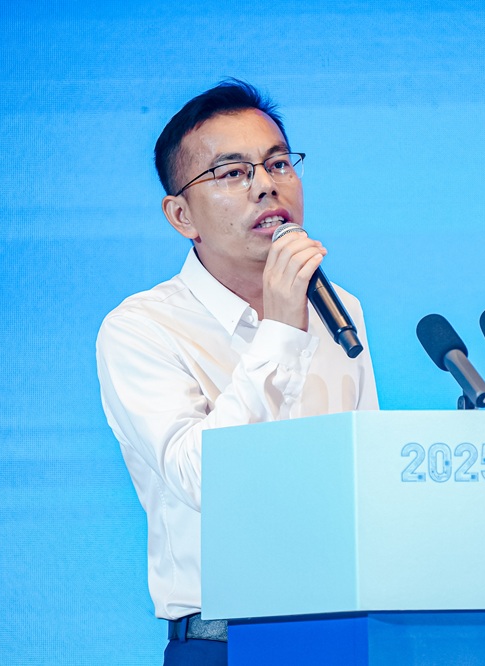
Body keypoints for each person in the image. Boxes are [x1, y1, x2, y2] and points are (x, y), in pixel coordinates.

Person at [96, 80, 378, 665]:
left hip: (350, 634)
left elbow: (365, 474)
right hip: (225, 643)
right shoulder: (142, 328)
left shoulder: (338, 309)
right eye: (232, 173)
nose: (267, 185)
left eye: (278, 163)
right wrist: (280, 330)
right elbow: (205, 481)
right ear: (181, 215)